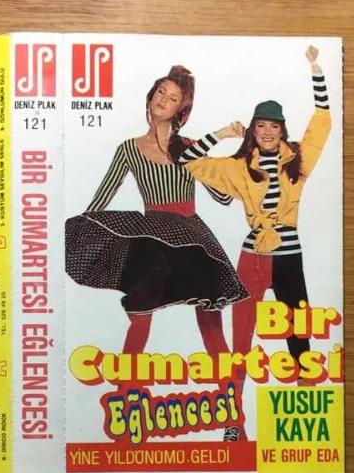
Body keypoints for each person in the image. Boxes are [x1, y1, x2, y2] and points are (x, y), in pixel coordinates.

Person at [178, 46, 331, 438]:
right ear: (252, 130)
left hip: (289, 257)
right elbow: (186, 161)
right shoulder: (237, 167)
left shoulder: (298, 160)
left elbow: (322, 121)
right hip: (253, 259)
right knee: (242, 338)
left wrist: (316, 69)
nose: (267, 132)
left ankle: (306, 416)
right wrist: (221, 134)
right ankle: (233, 421)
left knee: (299, 332)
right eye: (260, 126)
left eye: (273, 126)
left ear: (282, 131)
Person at [65, 65, 248, 363]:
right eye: (161, 92)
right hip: (151, 239)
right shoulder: (128, 149)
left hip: (192, 237)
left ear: (180, 110)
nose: (164, 99)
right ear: (150, 97)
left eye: (173, 98)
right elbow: (102, 197)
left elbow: (223, 197)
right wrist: (77, 231)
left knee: (210, 317)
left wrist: (224, 168)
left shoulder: (191, 147)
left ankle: (229, 388)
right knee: (140, 314)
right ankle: (126, 388)